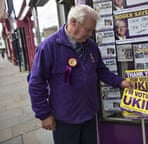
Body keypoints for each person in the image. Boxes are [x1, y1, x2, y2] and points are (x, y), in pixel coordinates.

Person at [28, 5, 133, 144]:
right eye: (88, 29)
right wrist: (44, 114)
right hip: (65, 120)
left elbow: (101, 70)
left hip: (89, 115)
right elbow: (36, 83)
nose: (90, 34)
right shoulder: (48, 47)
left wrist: (121, 82)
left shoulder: (91, 46)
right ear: (73, 22)